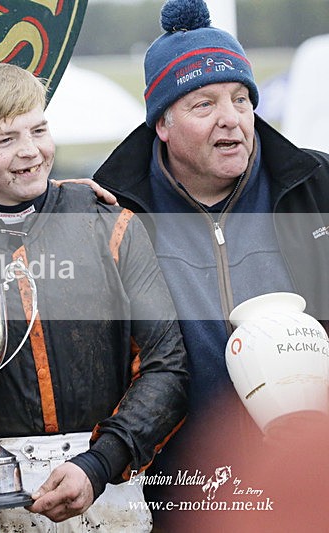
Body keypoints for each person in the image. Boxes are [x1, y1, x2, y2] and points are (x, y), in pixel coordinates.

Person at [92, 0, 329, 525]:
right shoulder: (107, 212)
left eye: (241, 99)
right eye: (204, 104)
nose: (232, 119)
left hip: (310, 486)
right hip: (180, 494)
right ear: (163, 125)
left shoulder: (318, 188)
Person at [0, 62, 189, 532]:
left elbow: (167, 366)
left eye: (39, 130)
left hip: (105, 489)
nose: (30, 152)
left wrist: (100, 463)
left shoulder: (110, 223)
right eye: (5, 140)